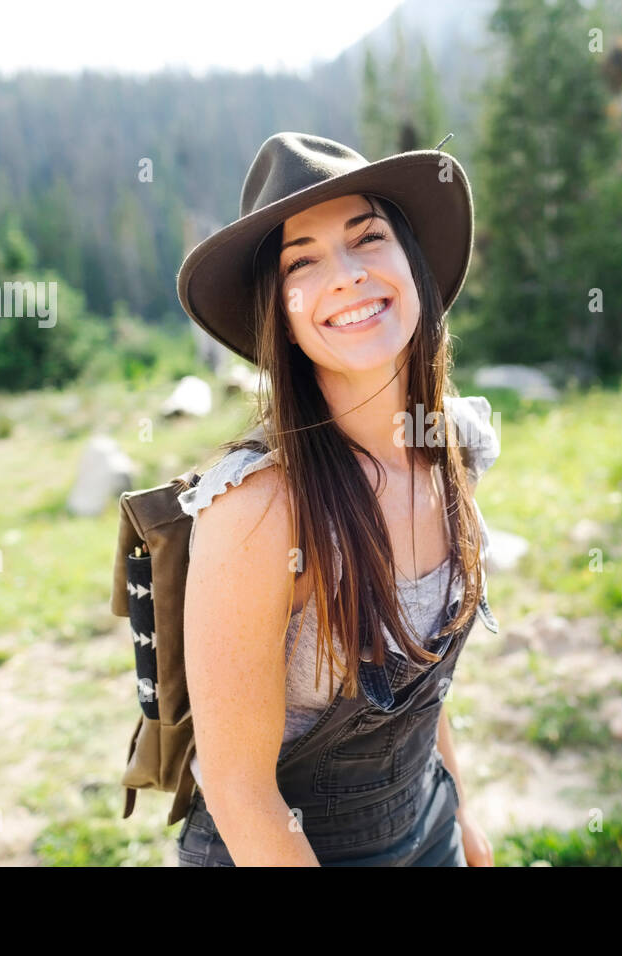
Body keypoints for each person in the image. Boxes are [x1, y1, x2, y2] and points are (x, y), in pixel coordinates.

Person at [172, 132, 500, 866]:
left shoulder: (454, 444)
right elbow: (238, 788)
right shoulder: (261, 507)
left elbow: (423, 685)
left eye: (368, 238)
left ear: (412, 260)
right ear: (279, 313)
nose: (347, 276)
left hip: (427, 824)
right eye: (304, 261)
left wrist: (462, 818)